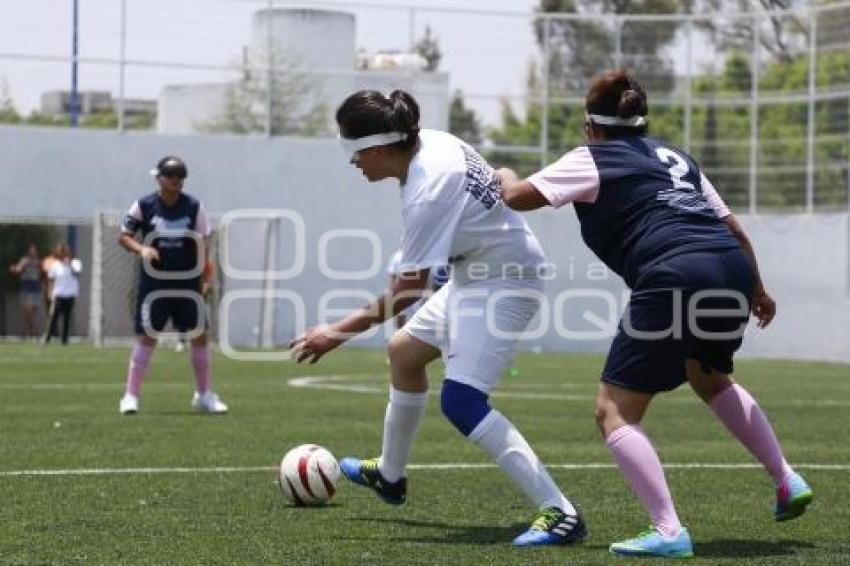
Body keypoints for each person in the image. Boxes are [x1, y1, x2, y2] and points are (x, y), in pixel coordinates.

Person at [499, 70, 812, 558]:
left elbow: (517, 199)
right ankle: (786, 478)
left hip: (674, 272)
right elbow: (734, 228)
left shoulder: (592, 157)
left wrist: (506, 176)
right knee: (709, 377)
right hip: (728, 266)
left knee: (614, 411)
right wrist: (758, 289)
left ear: (591, 126)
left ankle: (668, 530)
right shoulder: (679, 160)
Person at [290, 90, 586, 546]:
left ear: (382, 147)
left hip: (504, 282)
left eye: (354, 151)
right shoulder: (431, 142)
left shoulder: (427, 188)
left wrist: (334, 333)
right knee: (404, 353)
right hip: (477, 274)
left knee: (462, 401)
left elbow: (406, 290)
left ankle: (560, 512)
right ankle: (390, 475)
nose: (353, 163)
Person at [117, 155, 228, 415]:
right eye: (171, 176)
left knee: (199, 335)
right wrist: (141, 248)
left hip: (187, 282)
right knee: (148, 335)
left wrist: (204, 278)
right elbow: (123, 236)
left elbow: (203, 242)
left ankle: (204, 394)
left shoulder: (193, 207)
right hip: (155, 283)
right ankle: (130, 396)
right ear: (159, 178)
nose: (176, 181)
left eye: (180, 176)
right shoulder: (143, 205)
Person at [386, 248, 449, 330]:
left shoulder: (432, 255)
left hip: (422, 299)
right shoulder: (398, 257)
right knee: (403, 328)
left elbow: (430, 280)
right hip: (404, 297)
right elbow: (393, 280)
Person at [42, 243, 80, 345]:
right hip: (59, 295)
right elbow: (51, 279)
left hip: (70, 295)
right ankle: (47, 338)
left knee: (67, 318)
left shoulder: (75, 262)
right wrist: (50, 292)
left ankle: (64, 340)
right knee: (53, 317)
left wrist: (70, 263)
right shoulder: (55, 265)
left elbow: (77, 273)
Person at [9, 243, 42, 338]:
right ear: (28, 251)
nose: (33, 252)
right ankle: (31, 330)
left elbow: (41, 274)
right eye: (32, 250)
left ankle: (30, 332)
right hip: (27, 286)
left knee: (34, 311)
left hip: (35, 287)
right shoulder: (24, 260)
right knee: (28, 310)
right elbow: (18, 269)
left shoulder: (38, 262)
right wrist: (14, 269)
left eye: (34, 250)